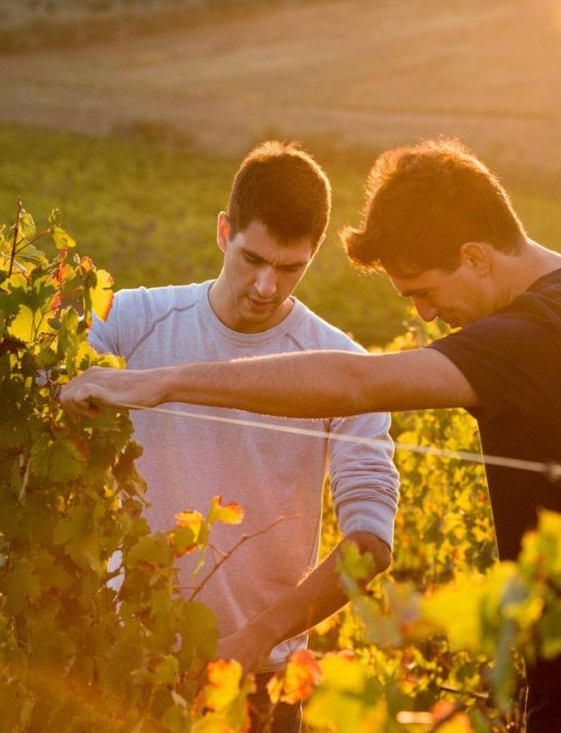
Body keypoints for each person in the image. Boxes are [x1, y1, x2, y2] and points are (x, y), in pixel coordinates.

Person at [64, 139, 561, 732]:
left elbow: (357, 383)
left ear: (476, 257)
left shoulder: (535, 336)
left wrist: (161, 383)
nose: (425, 315)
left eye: (422, 291)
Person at [85, 141, 399, 733]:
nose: (265, 286)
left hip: (261, 680)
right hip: (123, 661)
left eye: (290, 268)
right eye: (252, 259)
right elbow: (38, 394)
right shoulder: (130, 321)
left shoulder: (344, 370)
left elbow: (372, 544)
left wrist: (257, 639)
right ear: (223, 231)